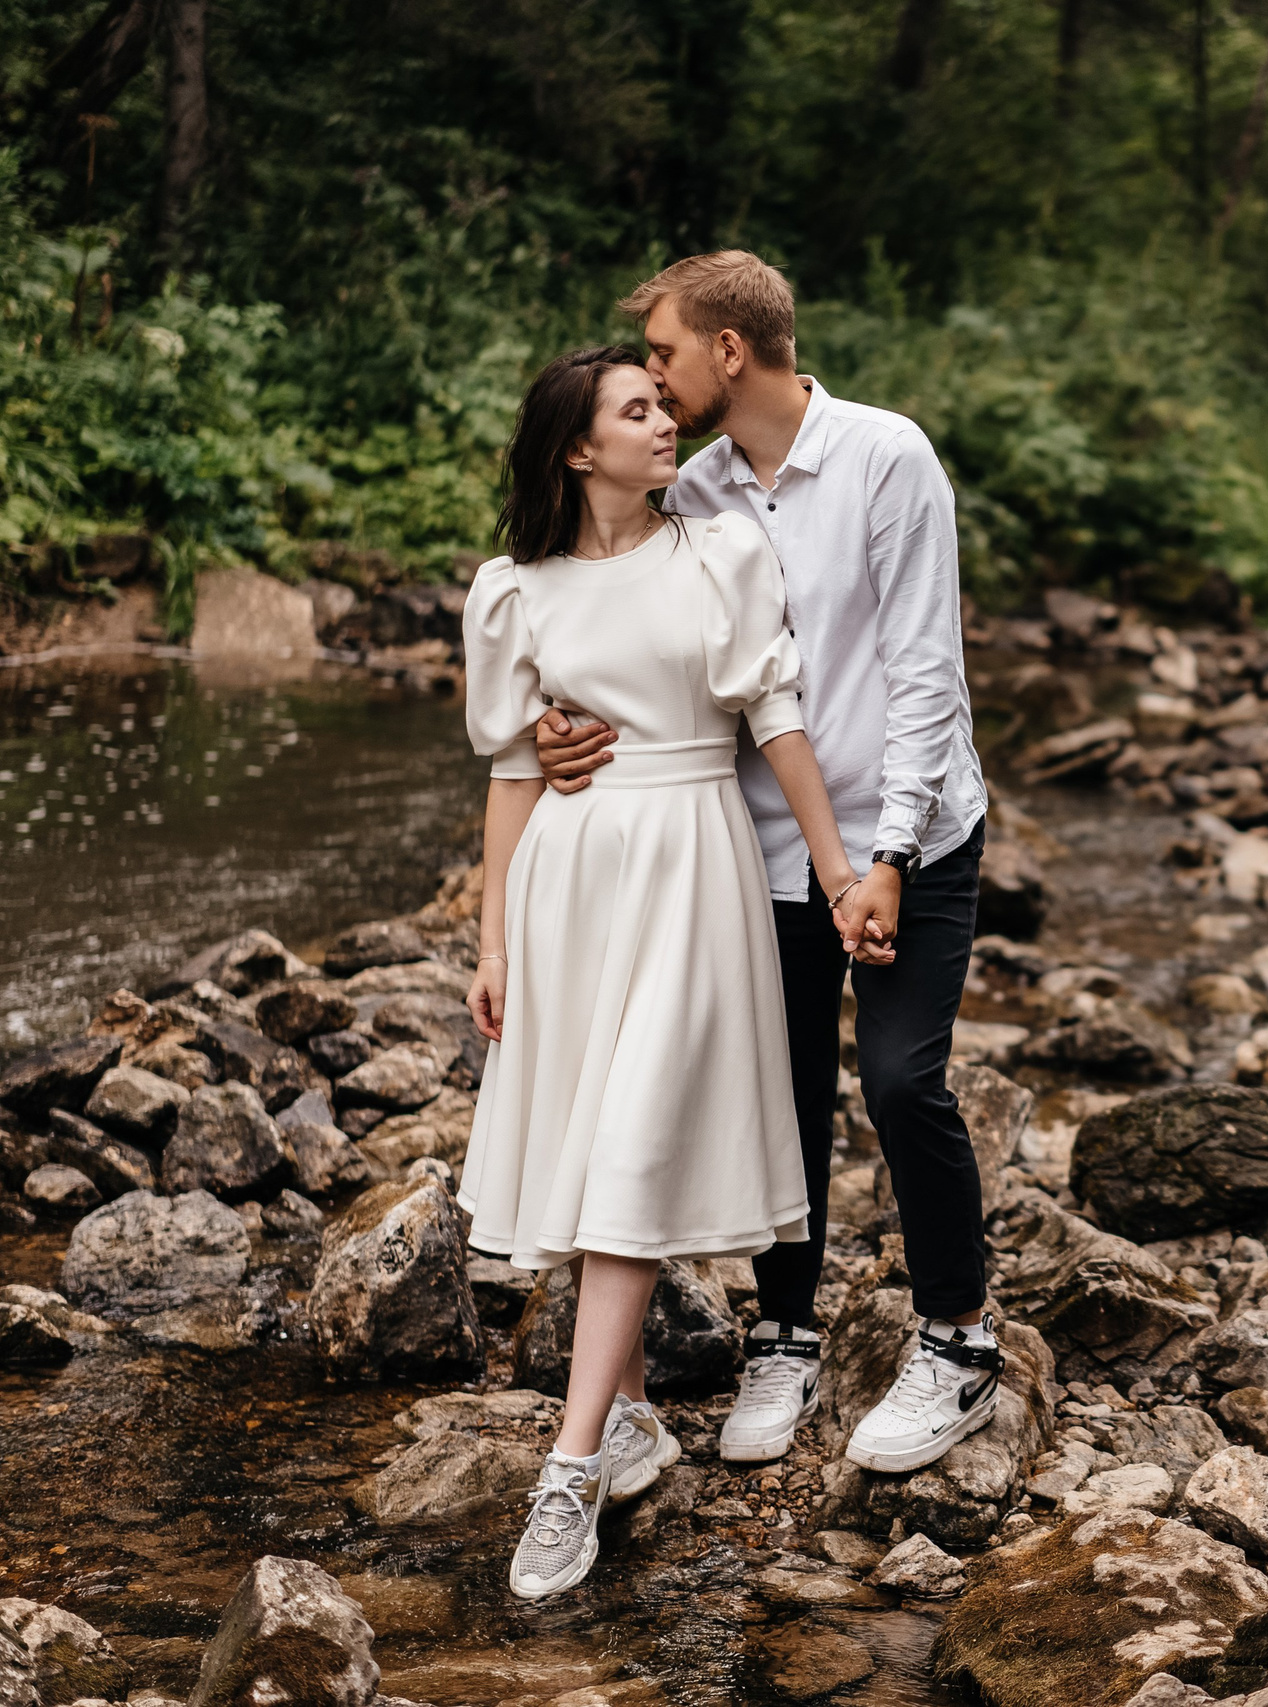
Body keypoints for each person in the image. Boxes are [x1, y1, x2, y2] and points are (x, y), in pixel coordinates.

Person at [533, 251, 1001, 1475]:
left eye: (666, 354)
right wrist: (558, 728)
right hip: (762, 844)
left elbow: (924, 675)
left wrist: (888, 853)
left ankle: (959, 1340)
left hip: (916, 835)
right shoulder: (689, 492)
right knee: (780, 1092)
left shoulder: (889, 457)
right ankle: (784, 1336)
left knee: (902, 1084)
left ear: (729, 353)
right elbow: (641, 641)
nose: (653, 373)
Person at [460, 345, 870, 1599]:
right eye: (635, 411)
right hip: (570, 882)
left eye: (660, 403)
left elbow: (777, 716)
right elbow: (515, 774)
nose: (664, 423)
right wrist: (490, 939)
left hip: (695, 864)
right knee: (589, 1140)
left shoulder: (718, 554)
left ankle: (570, 1466)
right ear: (579, 452)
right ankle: (630, 1415)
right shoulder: (513, 590)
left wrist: (839, 868)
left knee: (631, 1142)